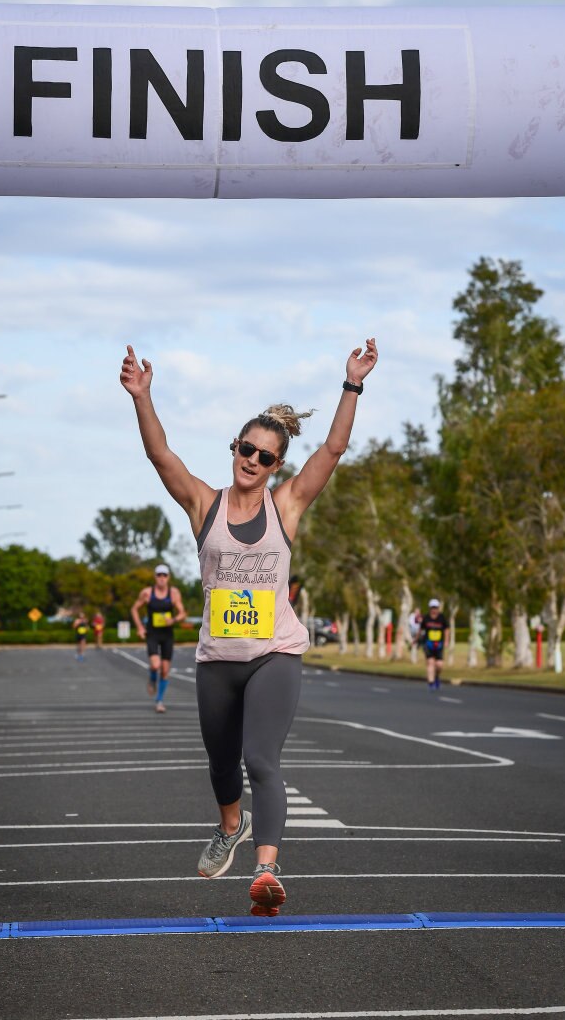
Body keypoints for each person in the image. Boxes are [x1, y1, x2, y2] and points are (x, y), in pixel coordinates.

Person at [120, 338, 378, 917]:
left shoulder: (285, 507)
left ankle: (265, 869)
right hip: (217, 658)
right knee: (220, 763)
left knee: (261, 760)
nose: (252, 461)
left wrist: (352, 384)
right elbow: (161, 455)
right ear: (234, 447)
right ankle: (229, 827)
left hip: (273, 653)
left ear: (277, 465)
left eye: (265, 456)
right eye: (246, 449)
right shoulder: (202, 505)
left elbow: (333, 450)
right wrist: (143, 396)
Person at [131, 564, 187, 713]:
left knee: (165, 671)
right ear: (155, 577)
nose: (162, 578)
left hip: (167, 635)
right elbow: (134, 609)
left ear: (168, 577)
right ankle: (152, 677)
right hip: (153, 634)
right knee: (155, 665)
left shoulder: (174, 593)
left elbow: (182, 613)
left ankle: (159, 701)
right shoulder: (147, 593)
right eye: (159, 575)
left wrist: (174, 620)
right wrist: (140, 627)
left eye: (164, 575)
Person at [417, 598, 450, 689]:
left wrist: (447, 641)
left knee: (439, 665)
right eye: (432, 607)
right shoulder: (426, 618)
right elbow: (421, 630)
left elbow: (446, 630)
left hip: (439, 644)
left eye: (435, 607)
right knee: (430, 662)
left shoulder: (442, 618)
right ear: (430, 608)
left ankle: (436, 677)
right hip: (428, 644)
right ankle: (431, 683)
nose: (434, 609)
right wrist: (416, 639)